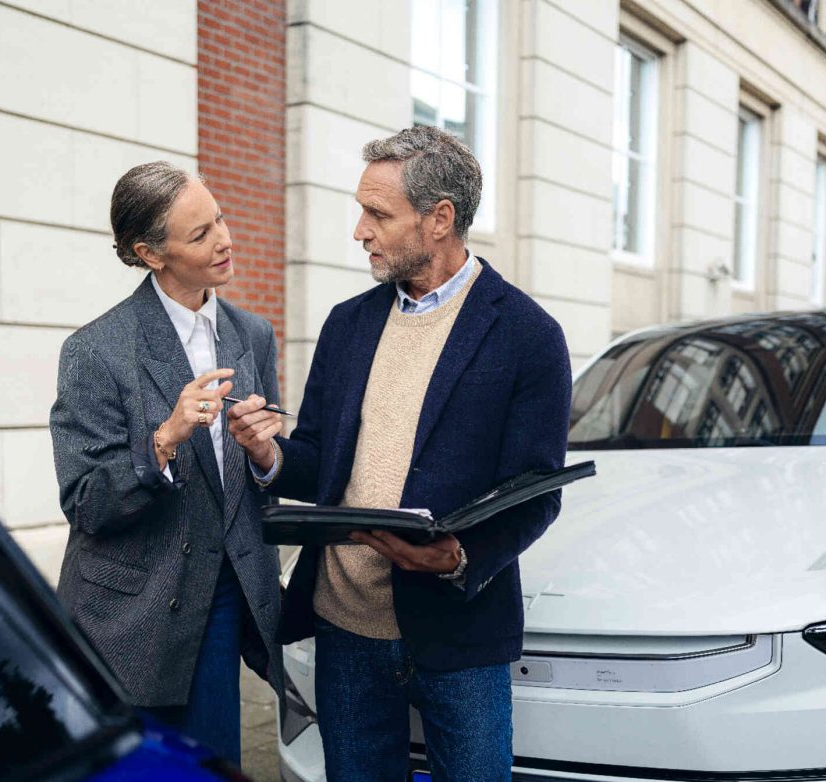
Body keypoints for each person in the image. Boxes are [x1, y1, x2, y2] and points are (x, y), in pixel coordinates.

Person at [228, 126, 572, 781]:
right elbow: (317, 458)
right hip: (344, 625)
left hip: (460, 632)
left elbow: (537, 490)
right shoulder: (346, 324)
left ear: (440, 219)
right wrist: (267, 453)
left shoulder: (529, 336)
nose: (360, 230)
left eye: (378, 214)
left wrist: (460, 555)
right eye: (362, 211)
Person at [49, 161, 283, 766]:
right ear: (150, 253)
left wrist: (264, 453)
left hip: (223, 594)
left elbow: (260, 479)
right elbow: (86, 503)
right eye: (201, 234)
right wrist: (163, 441)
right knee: (140, 770)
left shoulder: (253, 334)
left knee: (211, 763)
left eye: (220, 219)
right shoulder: (94, 350)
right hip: (132, 608)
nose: (225, 239)